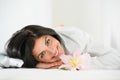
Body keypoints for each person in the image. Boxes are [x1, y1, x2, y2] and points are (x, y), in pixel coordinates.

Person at [5, 25, 120, 69]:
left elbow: (116, 58)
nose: (53, 52)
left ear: (50, 34)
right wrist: (35, 65)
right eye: (42, 54)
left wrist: (75, 63)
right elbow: (3, 57)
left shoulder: (79, 40)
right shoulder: (31, 56)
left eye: (48, 41)